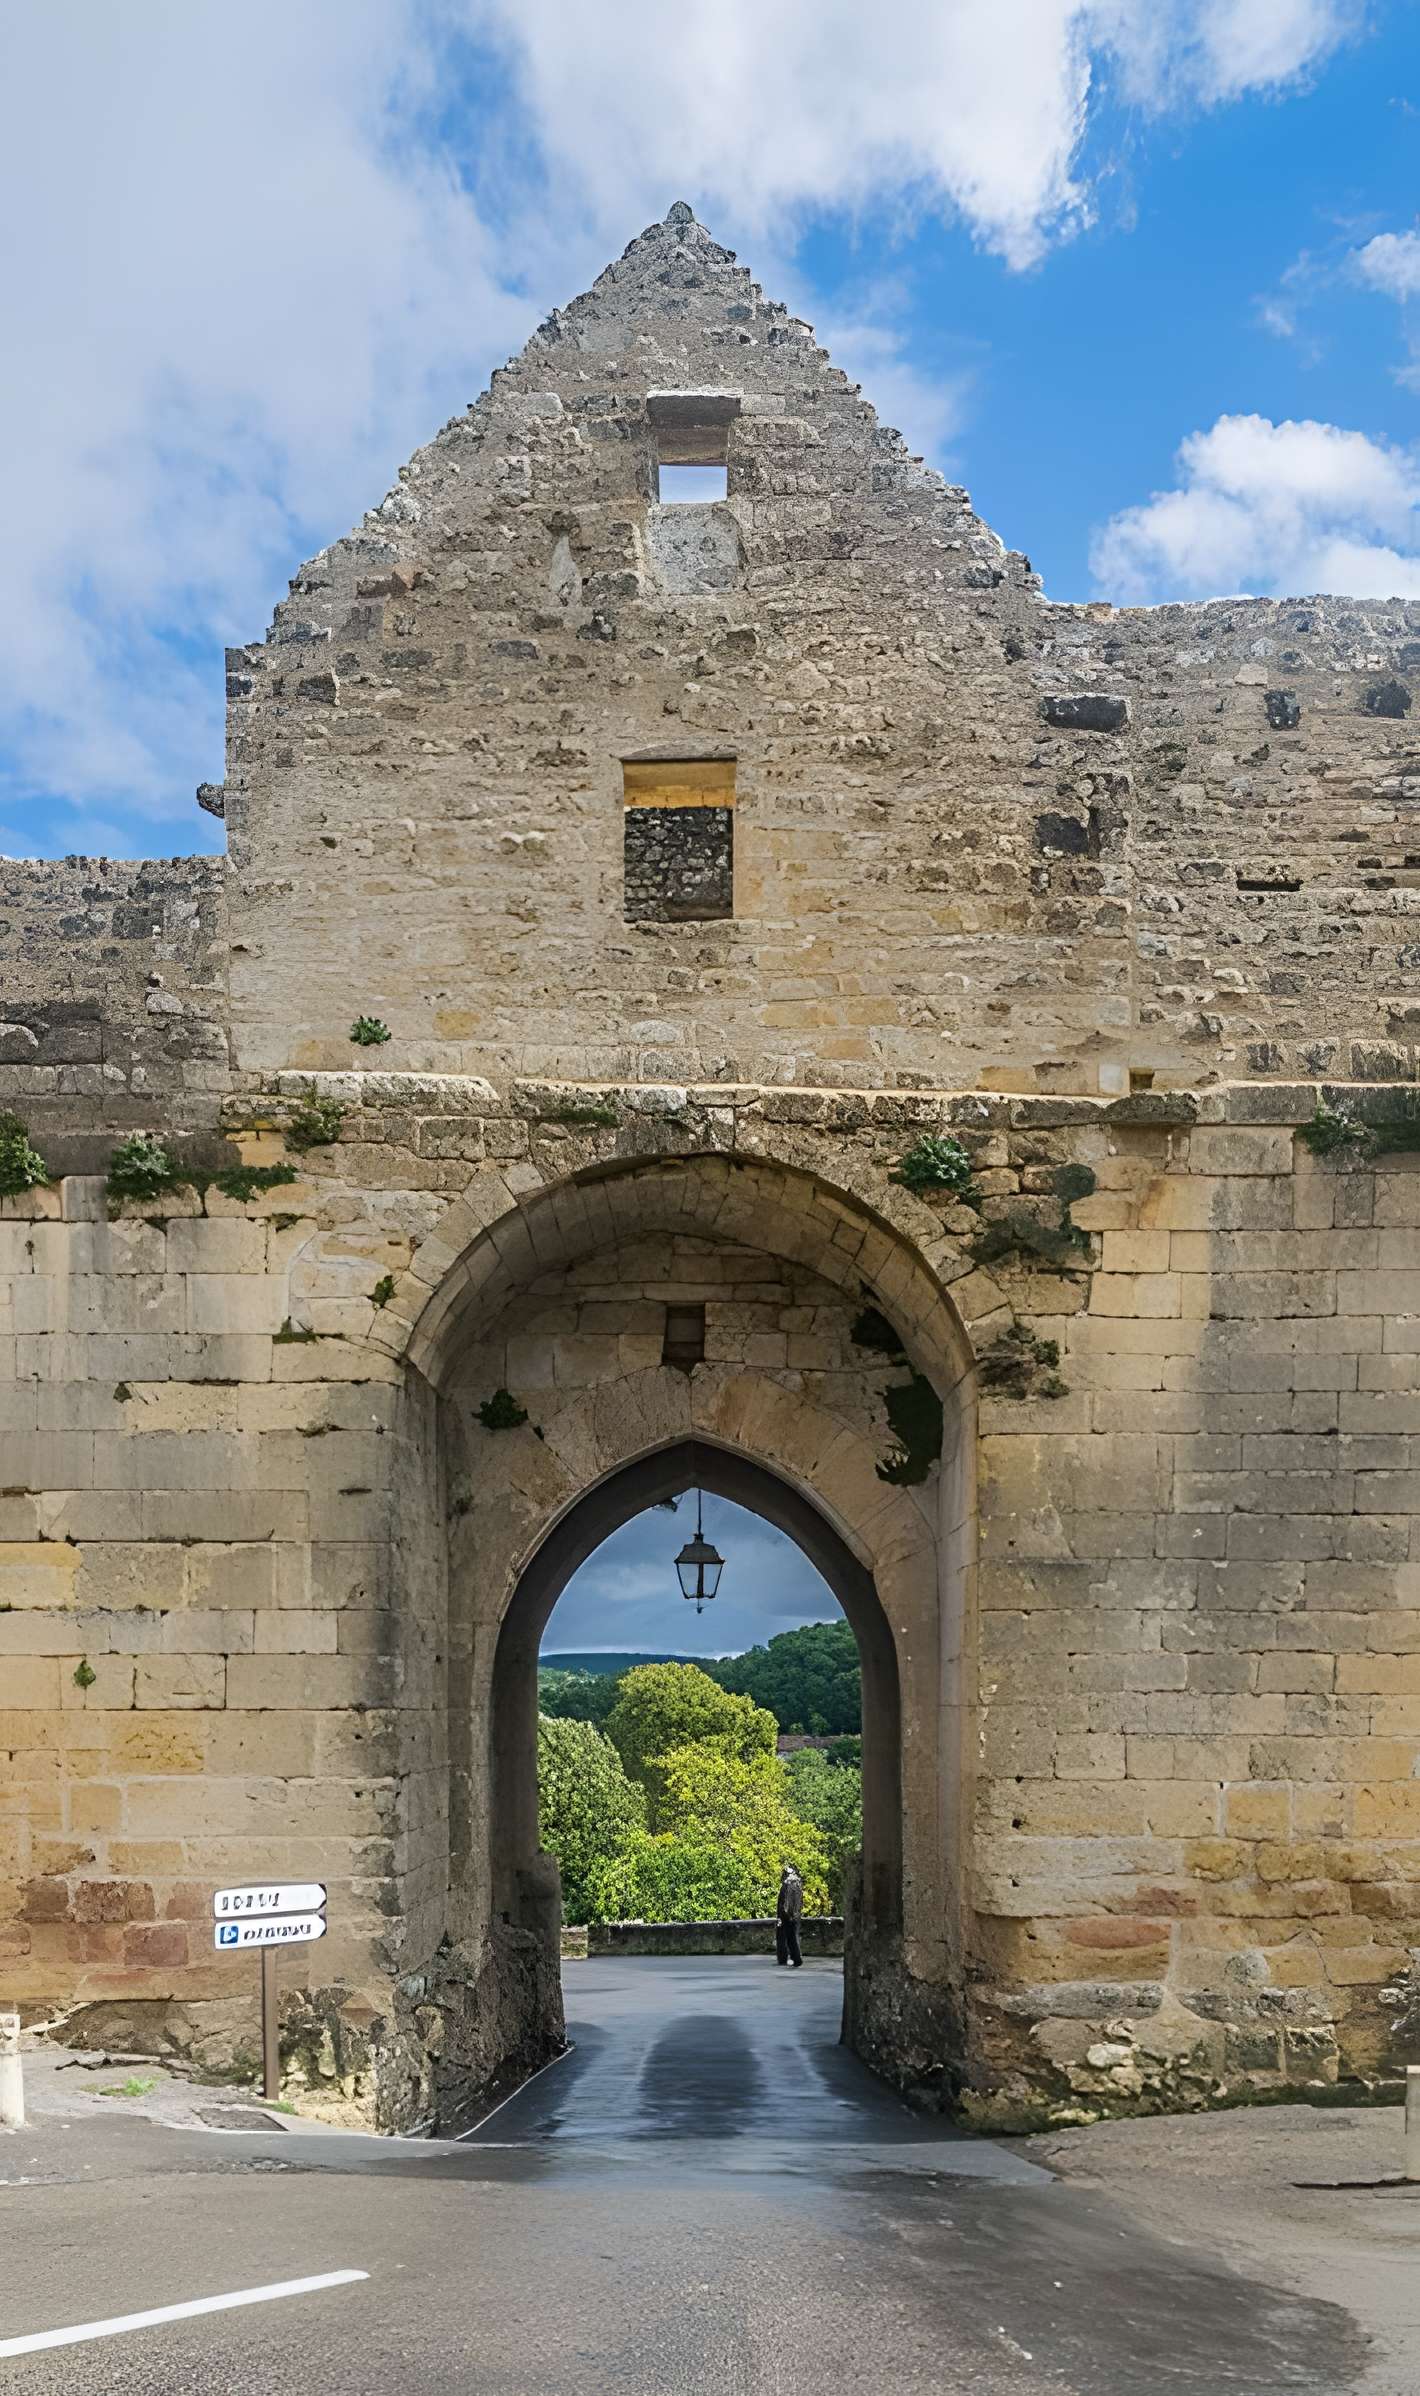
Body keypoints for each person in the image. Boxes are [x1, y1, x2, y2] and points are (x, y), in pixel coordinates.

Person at [775, 1863, 804, 1968]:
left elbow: (785, 1903)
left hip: (787, 1916)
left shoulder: (788, 1885)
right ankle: (790, 1958)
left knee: (789, 1938)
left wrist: (784, 1916)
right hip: (794, 1916)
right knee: (791, 1938)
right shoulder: (798, 1885)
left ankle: (794, 1959)